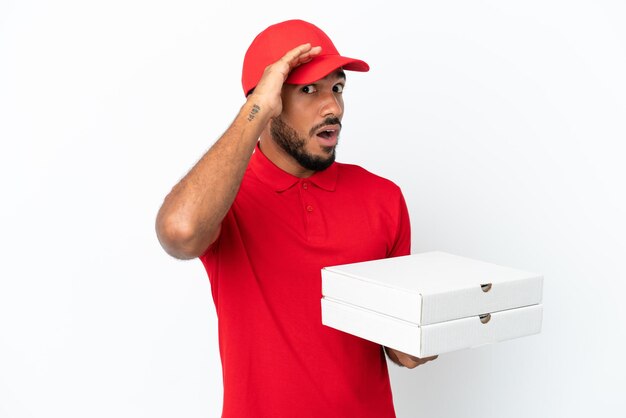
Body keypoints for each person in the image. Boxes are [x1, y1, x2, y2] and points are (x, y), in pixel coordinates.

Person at [156, 19, 437, 418]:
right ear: (266, 101)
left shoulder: (383, 198)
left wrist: (420, 337)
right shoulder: (226, 199)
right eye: (309, 90)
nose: (333, 107)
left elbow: (398, 343)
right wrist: (255, 110)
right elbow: (179, 232)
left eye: (337, 88)